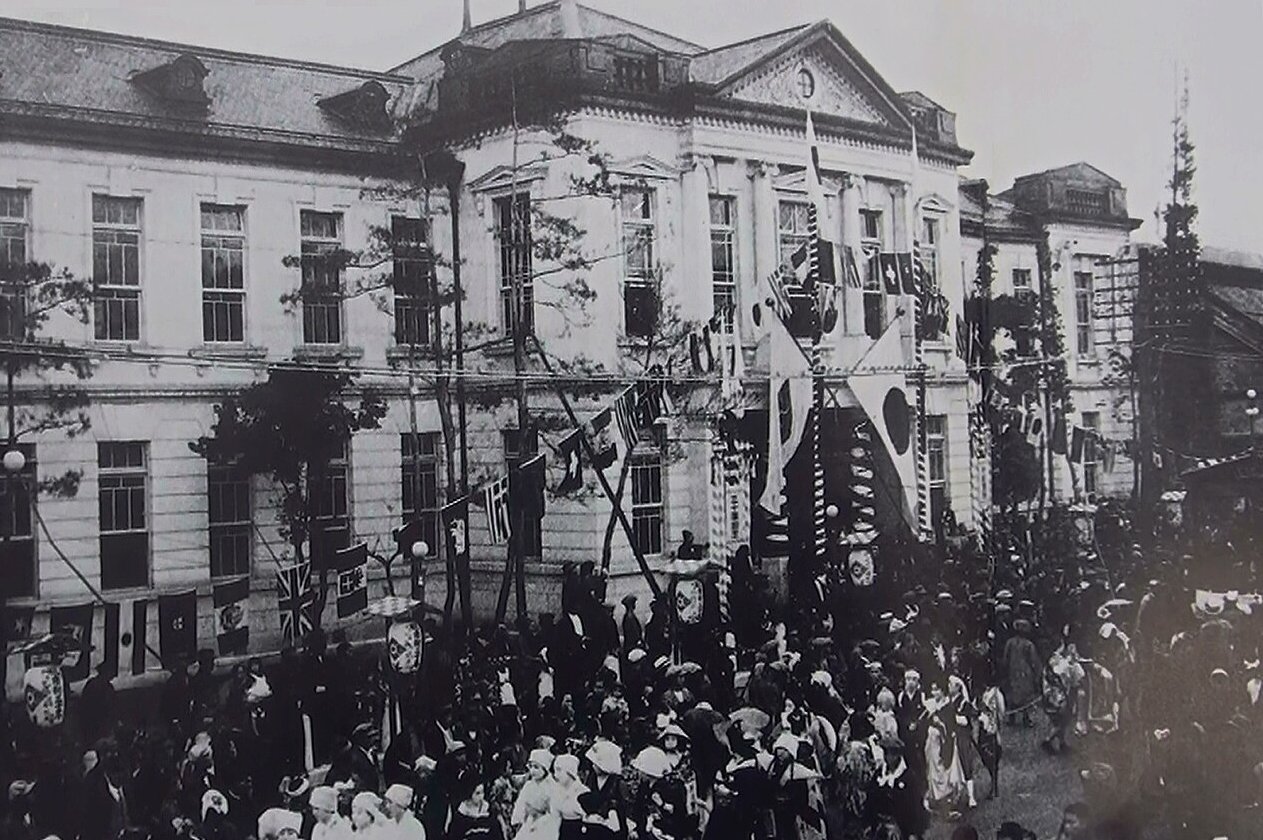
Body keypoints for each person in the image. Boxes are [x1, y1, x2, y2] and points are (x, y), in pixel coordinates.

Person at [510, 749, 558, 840]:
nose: (532, 771)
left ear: (545, 769)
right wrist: (518, 819)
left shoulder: (551, 787)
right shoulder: (529, 785)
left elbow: (554, 811)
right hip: (529, 821)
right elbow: (521, 803)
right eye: (531, 767)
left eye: (536, 767)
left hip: (545, 825)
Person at [1001, 620, 1041, 726]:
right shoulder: (1029, 644)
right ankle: (1025, 718)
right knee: (1025, 695)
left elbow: (1005, 658)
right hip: (1025, 673)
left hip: (1012, 671)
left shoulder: (1009, 643)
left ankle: (1011, 718)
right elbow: (1034, 661)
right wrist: (1037, 673)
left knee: (1013, 694)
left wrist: (1005, 670)